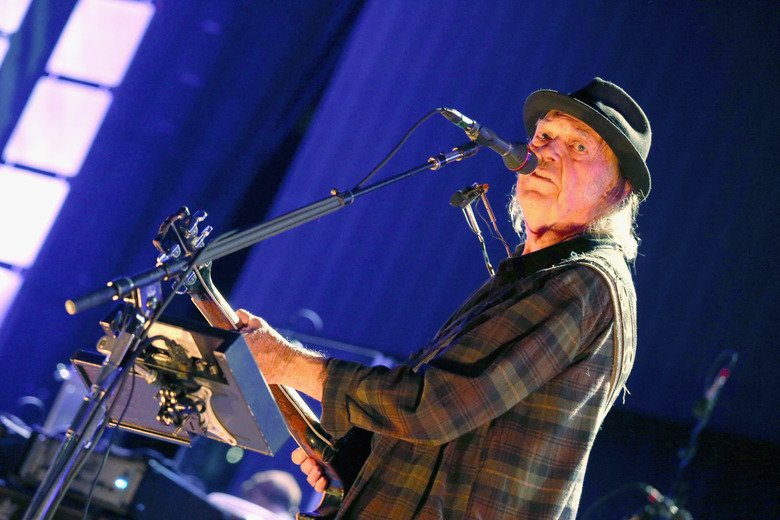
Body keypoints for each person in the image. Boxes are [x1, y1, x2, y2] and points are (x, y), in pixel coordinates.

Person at [236, 77, 651, 520]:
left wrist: (290, 364)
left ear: (618, 191)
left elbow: (436, 406)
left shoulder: (583, 284)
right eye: (545, 136)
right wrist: (358, 457)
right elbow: (453, 439)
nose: (547, 152)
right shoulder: (531, 275)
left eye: (579, 147)